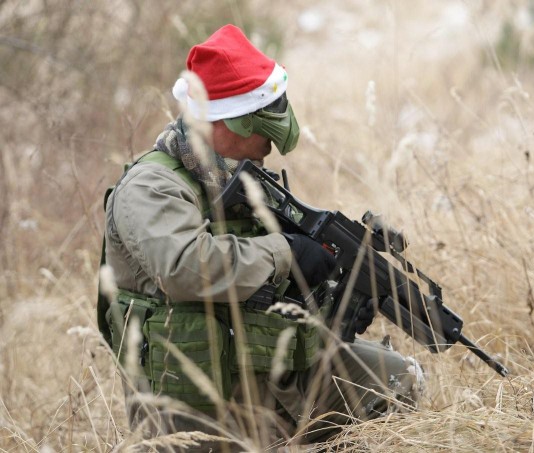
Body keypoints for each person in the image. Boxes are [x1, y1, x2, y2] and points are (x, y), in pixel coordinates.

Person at [98, 24, 423, 452]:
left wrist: (336, 303)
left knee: (396, 381)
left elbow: (269, 288)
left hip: (269, 370)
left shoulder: (236, 173)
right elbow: (183, 268)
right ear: (229, 119)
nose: (270, 142)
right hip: (190, 400)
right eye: (262, 126)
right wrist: (284, 252)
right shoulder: (152, 187)